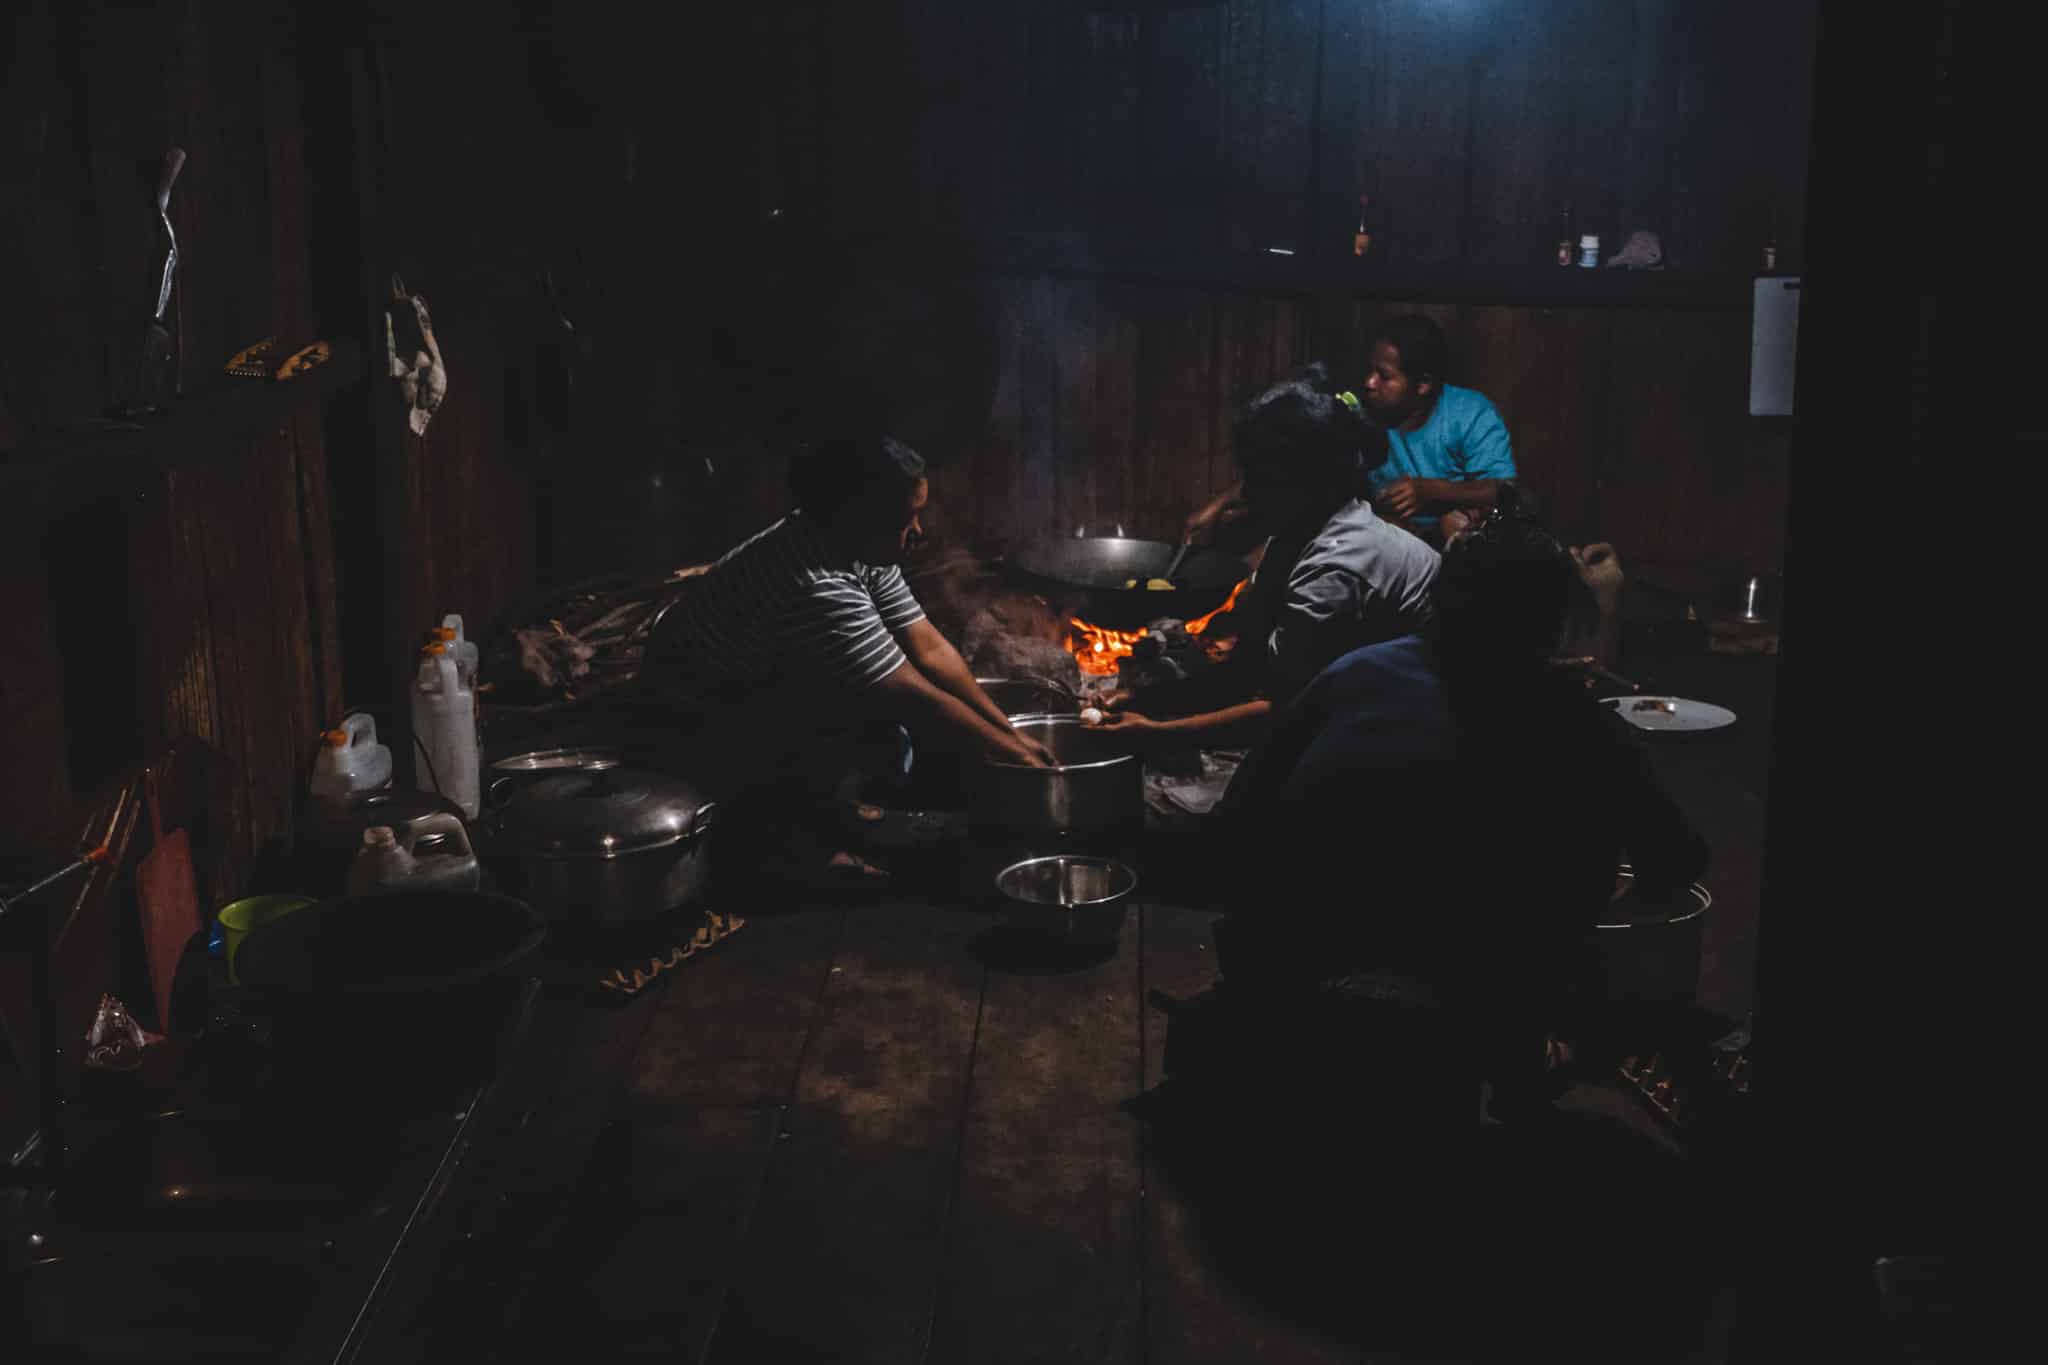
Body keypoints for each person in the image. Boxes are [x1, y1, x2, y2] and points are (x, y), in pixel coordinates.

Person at [1215, 486, 1708, 1109]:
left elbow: (1238, 814)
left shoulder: (1357, 671)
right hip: (1449, 1003)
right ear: (1548, 627)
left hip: (1285, 967)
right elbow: (1678, 862)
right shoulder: (1576, 722)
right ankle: (1514, 1056)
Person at [640, 433, 1051, 886]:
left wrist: (1008, 733)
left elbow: (930, 648)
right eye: (906, 518)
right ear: (858, 514)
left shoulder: (860, 545)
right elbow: (913, 695)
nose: (919, 531)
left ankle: (824, 813)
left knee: (881, 722)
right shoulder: (814, 582)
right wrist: (1013, 756)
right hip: (690, 727)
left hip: (749, 687)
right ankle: (785, 849)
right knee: (871, 714)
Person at [1091, 366, 1438, 754]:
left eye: (1261, 478)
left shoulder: (1337, 567)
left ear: (1308, 482)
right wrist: (1149, 701)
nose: (1247, 494)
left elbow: (1286, 714)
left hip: (1417, 727)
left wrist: (1155, 734)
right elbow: (1245, 671)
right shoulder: (1294, 537)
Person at [1350, 314, 1517, 546]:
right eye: (1369, 371)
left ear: (1423, 384)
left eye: (1384, 376)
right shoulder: (1357, 414)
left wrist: (1432, 490)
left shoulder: (1469, 413)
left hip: (1455, 547)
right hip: (1388, 543)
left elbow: (1505, 490)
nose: (1369, 383)